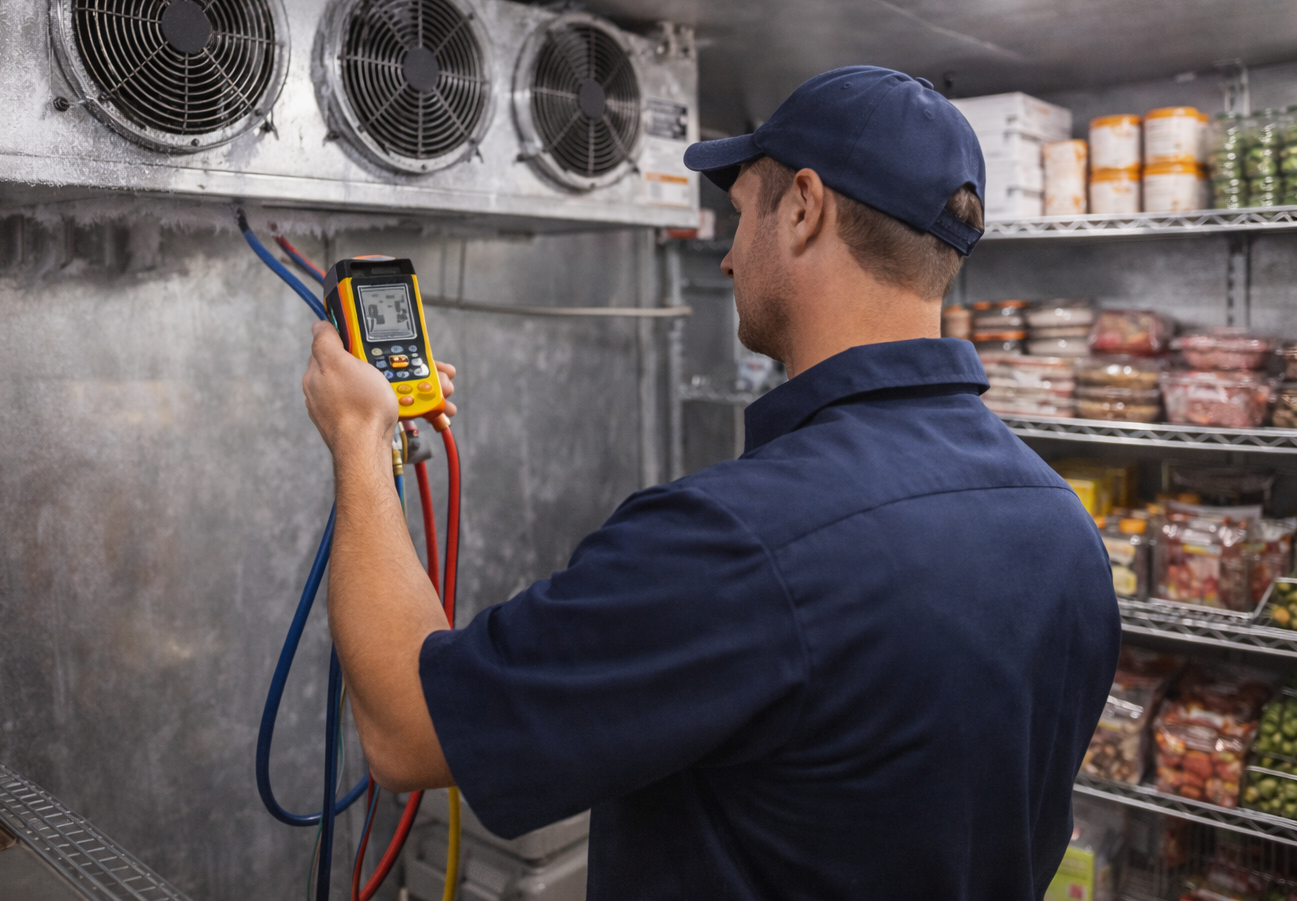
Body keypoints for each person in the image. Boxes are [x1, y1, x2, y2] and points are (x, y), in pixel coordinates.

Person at [302, 65, 1120, 899]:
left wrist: (360, 440)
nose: (727, 259)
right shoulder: (1063, 526)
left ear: (803, 208)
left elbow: (407, 729)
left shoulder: (739, 541)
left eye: (740, 215)